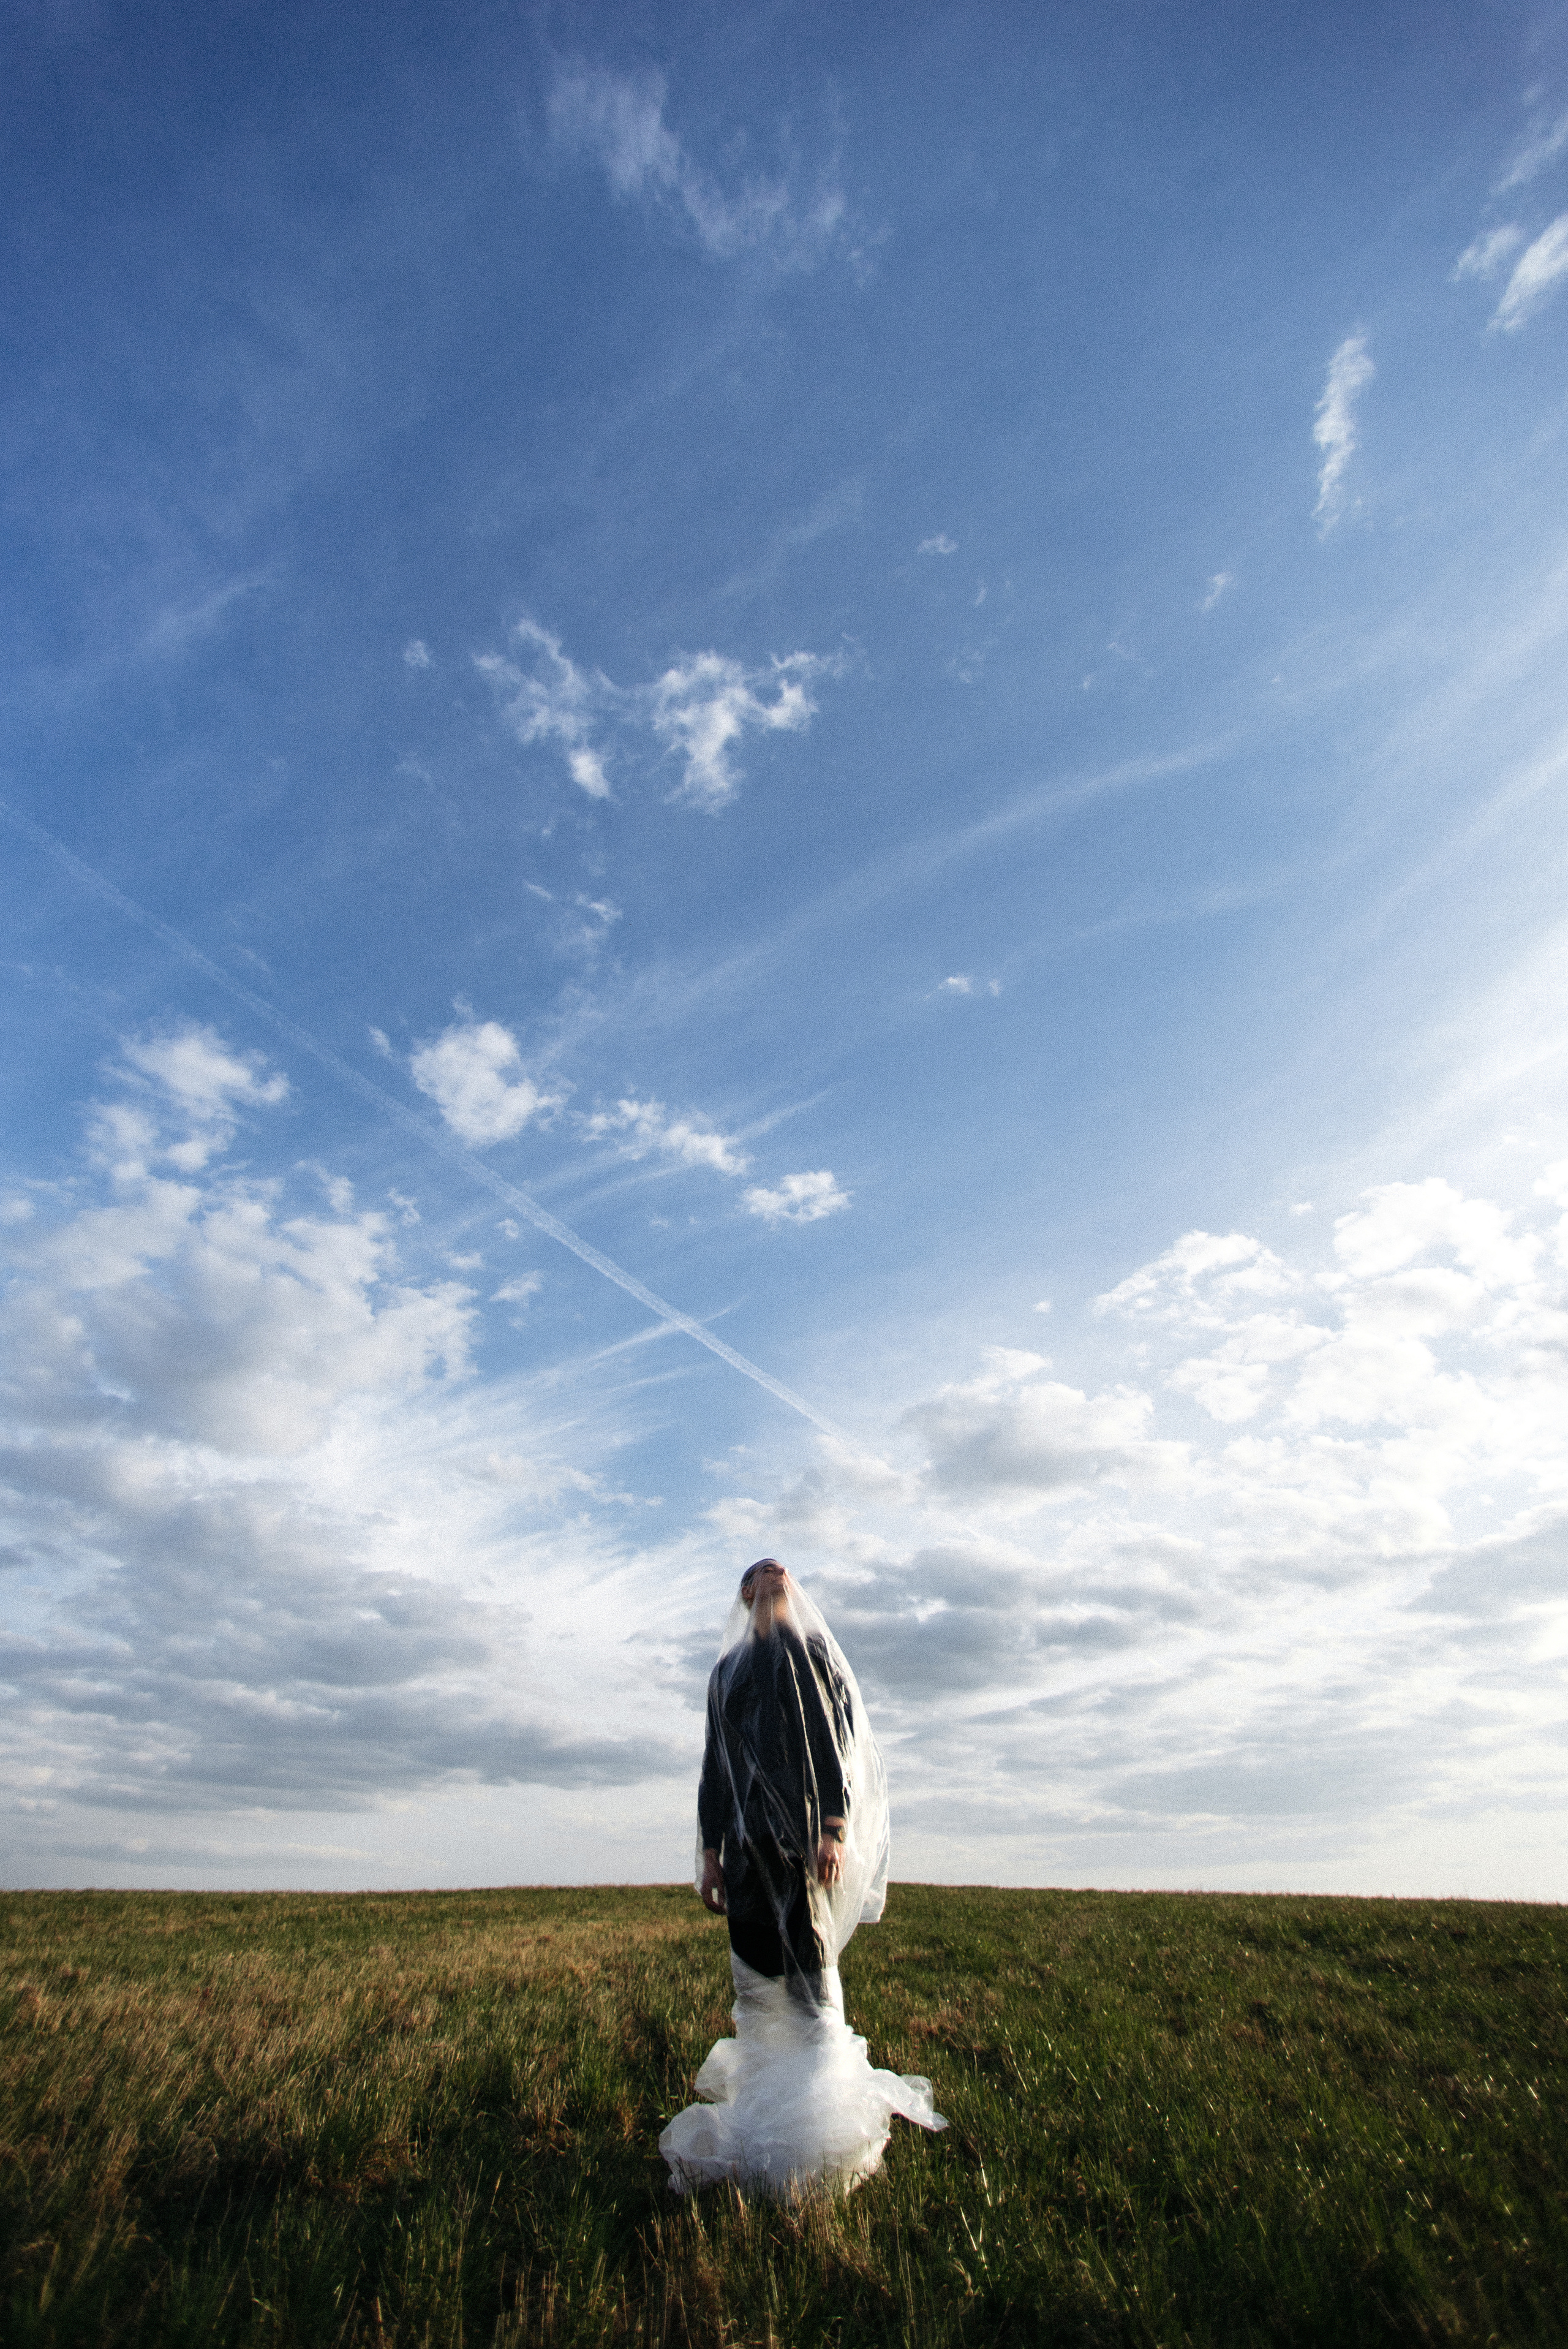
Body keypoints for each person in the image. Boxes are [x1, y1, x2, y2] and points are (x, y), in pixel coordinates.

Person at [660, 1557, 946, 2198]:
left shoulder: (812, 1656)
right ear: (746, 1594)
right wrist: (708, 1850)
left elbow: (833, 1741)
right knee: (758, 1992)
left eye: (783, 1571)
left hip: (799, 1851)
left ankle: (823, 2146)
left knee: (812, 1991)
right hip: (744, 1851)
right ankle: (766, 2137)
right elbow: (716, 1765)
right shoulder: (726, 1675)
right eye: (763, 1572)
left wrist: (834, 1827)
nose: (777, 1575)